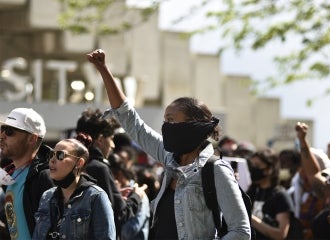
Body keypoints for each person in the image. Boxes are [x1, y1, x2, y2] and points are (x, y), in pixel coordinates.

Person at [87, 49, 251, 239]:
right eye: (165, 121)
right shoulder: (169, 157)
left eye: (171, 120)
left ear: (193, 126)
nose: (166, 126)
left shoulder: (216, 170)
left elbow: (240, 231)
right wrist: (104, 70)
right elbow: (130, 120)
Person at [75, 108, 147, 238]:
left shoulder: (72, 165)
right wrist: (137, 196)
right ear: (101, 139)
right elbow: (118, 215)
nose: (113, 145)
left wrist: (116, 195)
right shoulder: (99, 168)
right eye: (111, 138)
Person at [32, 133, 116, 239]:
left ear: (79, 163)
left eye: (60, 155)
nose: (52, 160)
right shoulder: (47, 196)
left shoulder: (96, 197)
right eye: (51, 155)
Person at [0, 108, 54, 239]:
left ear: (32, 138)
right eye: (2, 130)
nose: (2, 136)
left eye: (9, 131)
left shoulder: (44, 176)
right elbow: (15, 228)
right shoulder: (8, 175)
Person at [246, 149, 302, 239]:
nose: (253, 170)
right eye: (251, 166)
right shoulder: (251, 192)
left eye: (257, 166)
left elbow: (280, 234)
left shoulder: (280, 196)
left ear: (269, 169)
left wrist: (250, 218)